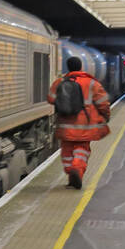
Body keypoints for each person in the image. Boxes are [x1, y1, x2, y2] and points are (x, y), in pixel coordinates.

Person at [47, 56, 112, 189]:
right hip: (85, 125)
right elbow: (103, 102)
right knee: (82, 150)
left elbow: (51, 99)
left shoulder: (60, 82)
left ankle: (70, 173)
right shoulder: (92, 83)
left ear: (68, 67)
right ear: (81, 67)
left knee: (66, 151)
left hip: (65, 124)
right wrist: (106, 115)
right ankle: (76, 169)